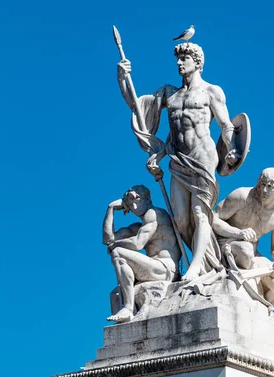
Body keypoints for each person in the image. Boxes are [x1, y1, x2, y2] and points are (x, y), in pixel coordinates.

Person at [117, 43, 239, 281]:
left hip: (203, 158)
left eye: (184, 59)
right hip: (177, 159)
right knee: (181, 219)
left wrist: (232, 149)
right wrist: (123, 79)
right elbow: (138, 107)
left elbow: (226, 126)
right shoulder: (169, 93)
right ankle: (205, 263)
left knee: (199, 212)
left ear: (197, 62)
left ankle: (194, 268)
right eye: (178, 59)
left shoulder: (211, 91)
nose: (179, 63)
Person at [213, 167, 274, 310]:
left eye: (270, 187)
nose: (264, 190)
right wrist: (237, 233)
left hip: (252, 254)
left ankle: (262, 313)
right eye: (262, 184)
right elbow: (213, 219)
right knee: (246, 250)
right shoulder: (242, 196)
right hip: (226, 243)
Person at [102, 185, 180, 323]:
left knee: (118, 253)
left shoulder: (155, 213)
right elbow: (108, 240)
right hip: (154, 269)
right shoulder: (138, 227)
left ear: (146, 198)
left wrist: (115, 245)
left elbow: (137, 244)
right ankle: (125, 327)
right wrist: (111, 209)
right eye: (128, 202)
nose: (133, 205)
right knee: (115, 294)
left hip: (166, 268)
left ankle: (128, 308)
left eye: (135, 199)